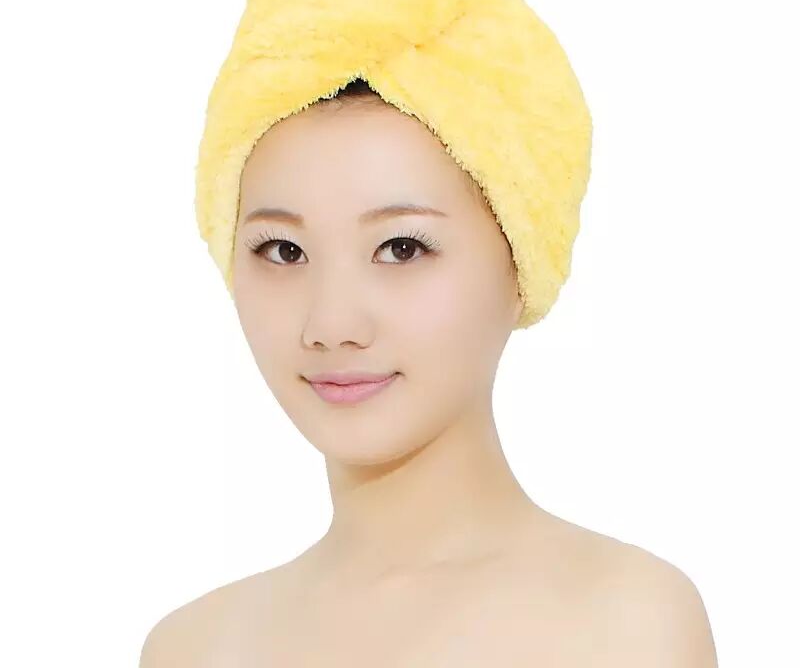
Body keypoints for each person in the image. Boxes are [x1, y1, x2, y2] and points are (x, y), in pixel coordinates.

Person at [140, 81, 717, 666]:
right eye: (284, 251)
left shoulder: (626, 622)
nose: (331, 323)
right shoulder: (190, 648)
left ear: (521, 262)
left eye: (401, 248)